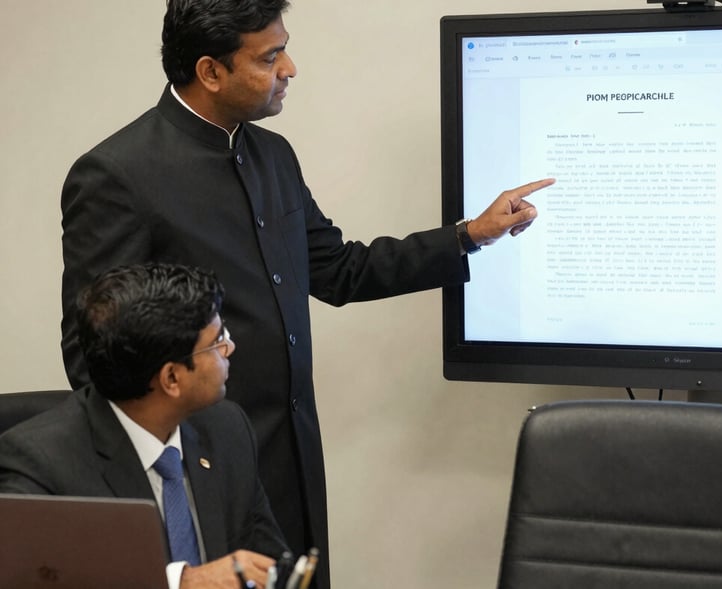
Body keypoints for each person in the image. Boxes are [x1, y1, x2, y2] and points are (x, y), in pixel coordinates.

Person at [59, 1, 555, 587]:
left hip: (293, 455)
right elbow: (92, 356)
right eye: (270, 57)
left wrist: (469, 235)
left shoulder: (272, 156)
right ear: (211, 71)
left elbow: (339, 270)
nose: (290, 68)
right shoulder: (117, 174)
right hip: (200, 474)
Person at [1, 263, 288, 589]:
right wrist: (181, 583)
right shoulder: (39, 466)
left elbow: (273, 566)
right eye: (217, 340)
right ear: (171, 378)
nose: (229, 348)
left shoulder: (227, 429)